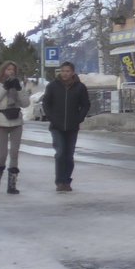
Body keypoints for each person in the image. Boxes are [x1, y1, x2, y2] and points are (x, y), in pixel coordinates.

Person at [42, 61, 91, 192]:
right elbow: (46, 103)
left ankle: (66, 181)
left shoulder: (80, 87)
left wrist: (79, 118)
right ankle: (60, 182)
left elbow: (85, 104)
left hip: (72, 126)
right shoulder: (53, 86)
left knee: (69, 155)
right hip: (56, 126)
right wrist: (51, 117)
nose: (65, 73)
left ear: (72, 72)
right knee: (60, 153)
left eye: (67, 71)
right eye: (63, 71)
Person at [0, 61, 29, 195]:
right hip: (1, 121)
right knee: (2, 154)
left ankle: (12, 185)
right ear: (3, 71)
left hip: (16, 121)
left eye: (13, 69)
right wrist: (4, 88)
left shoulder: (18, 84)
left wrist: (18, 89)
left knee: (14, 153)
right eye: (8, 69)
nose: (11, 72)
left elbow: (26, 103)